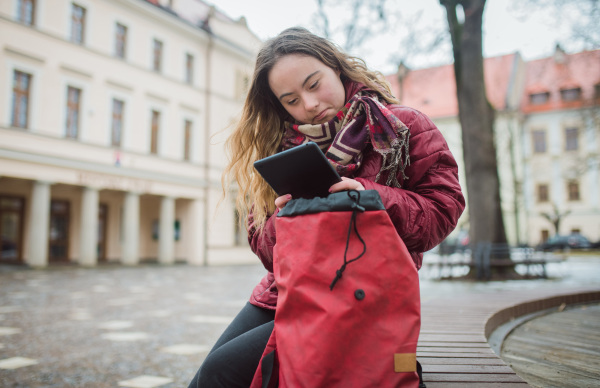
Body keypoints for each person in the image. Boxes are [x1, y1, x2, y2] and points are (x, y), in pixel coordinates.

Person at [188, 26, 465, 388]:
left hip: (364, 296)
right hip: (285, 291)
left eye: (314, 84)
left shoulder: (404, 124)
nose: (309, 104)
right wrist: (286, 219)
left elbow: (443, 211)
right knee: (207, 376)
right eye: (291, 100)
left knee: (221, 374)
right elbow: (264, 245)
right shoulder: (282, 144)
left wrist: (367, 197)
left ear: (336, 66)